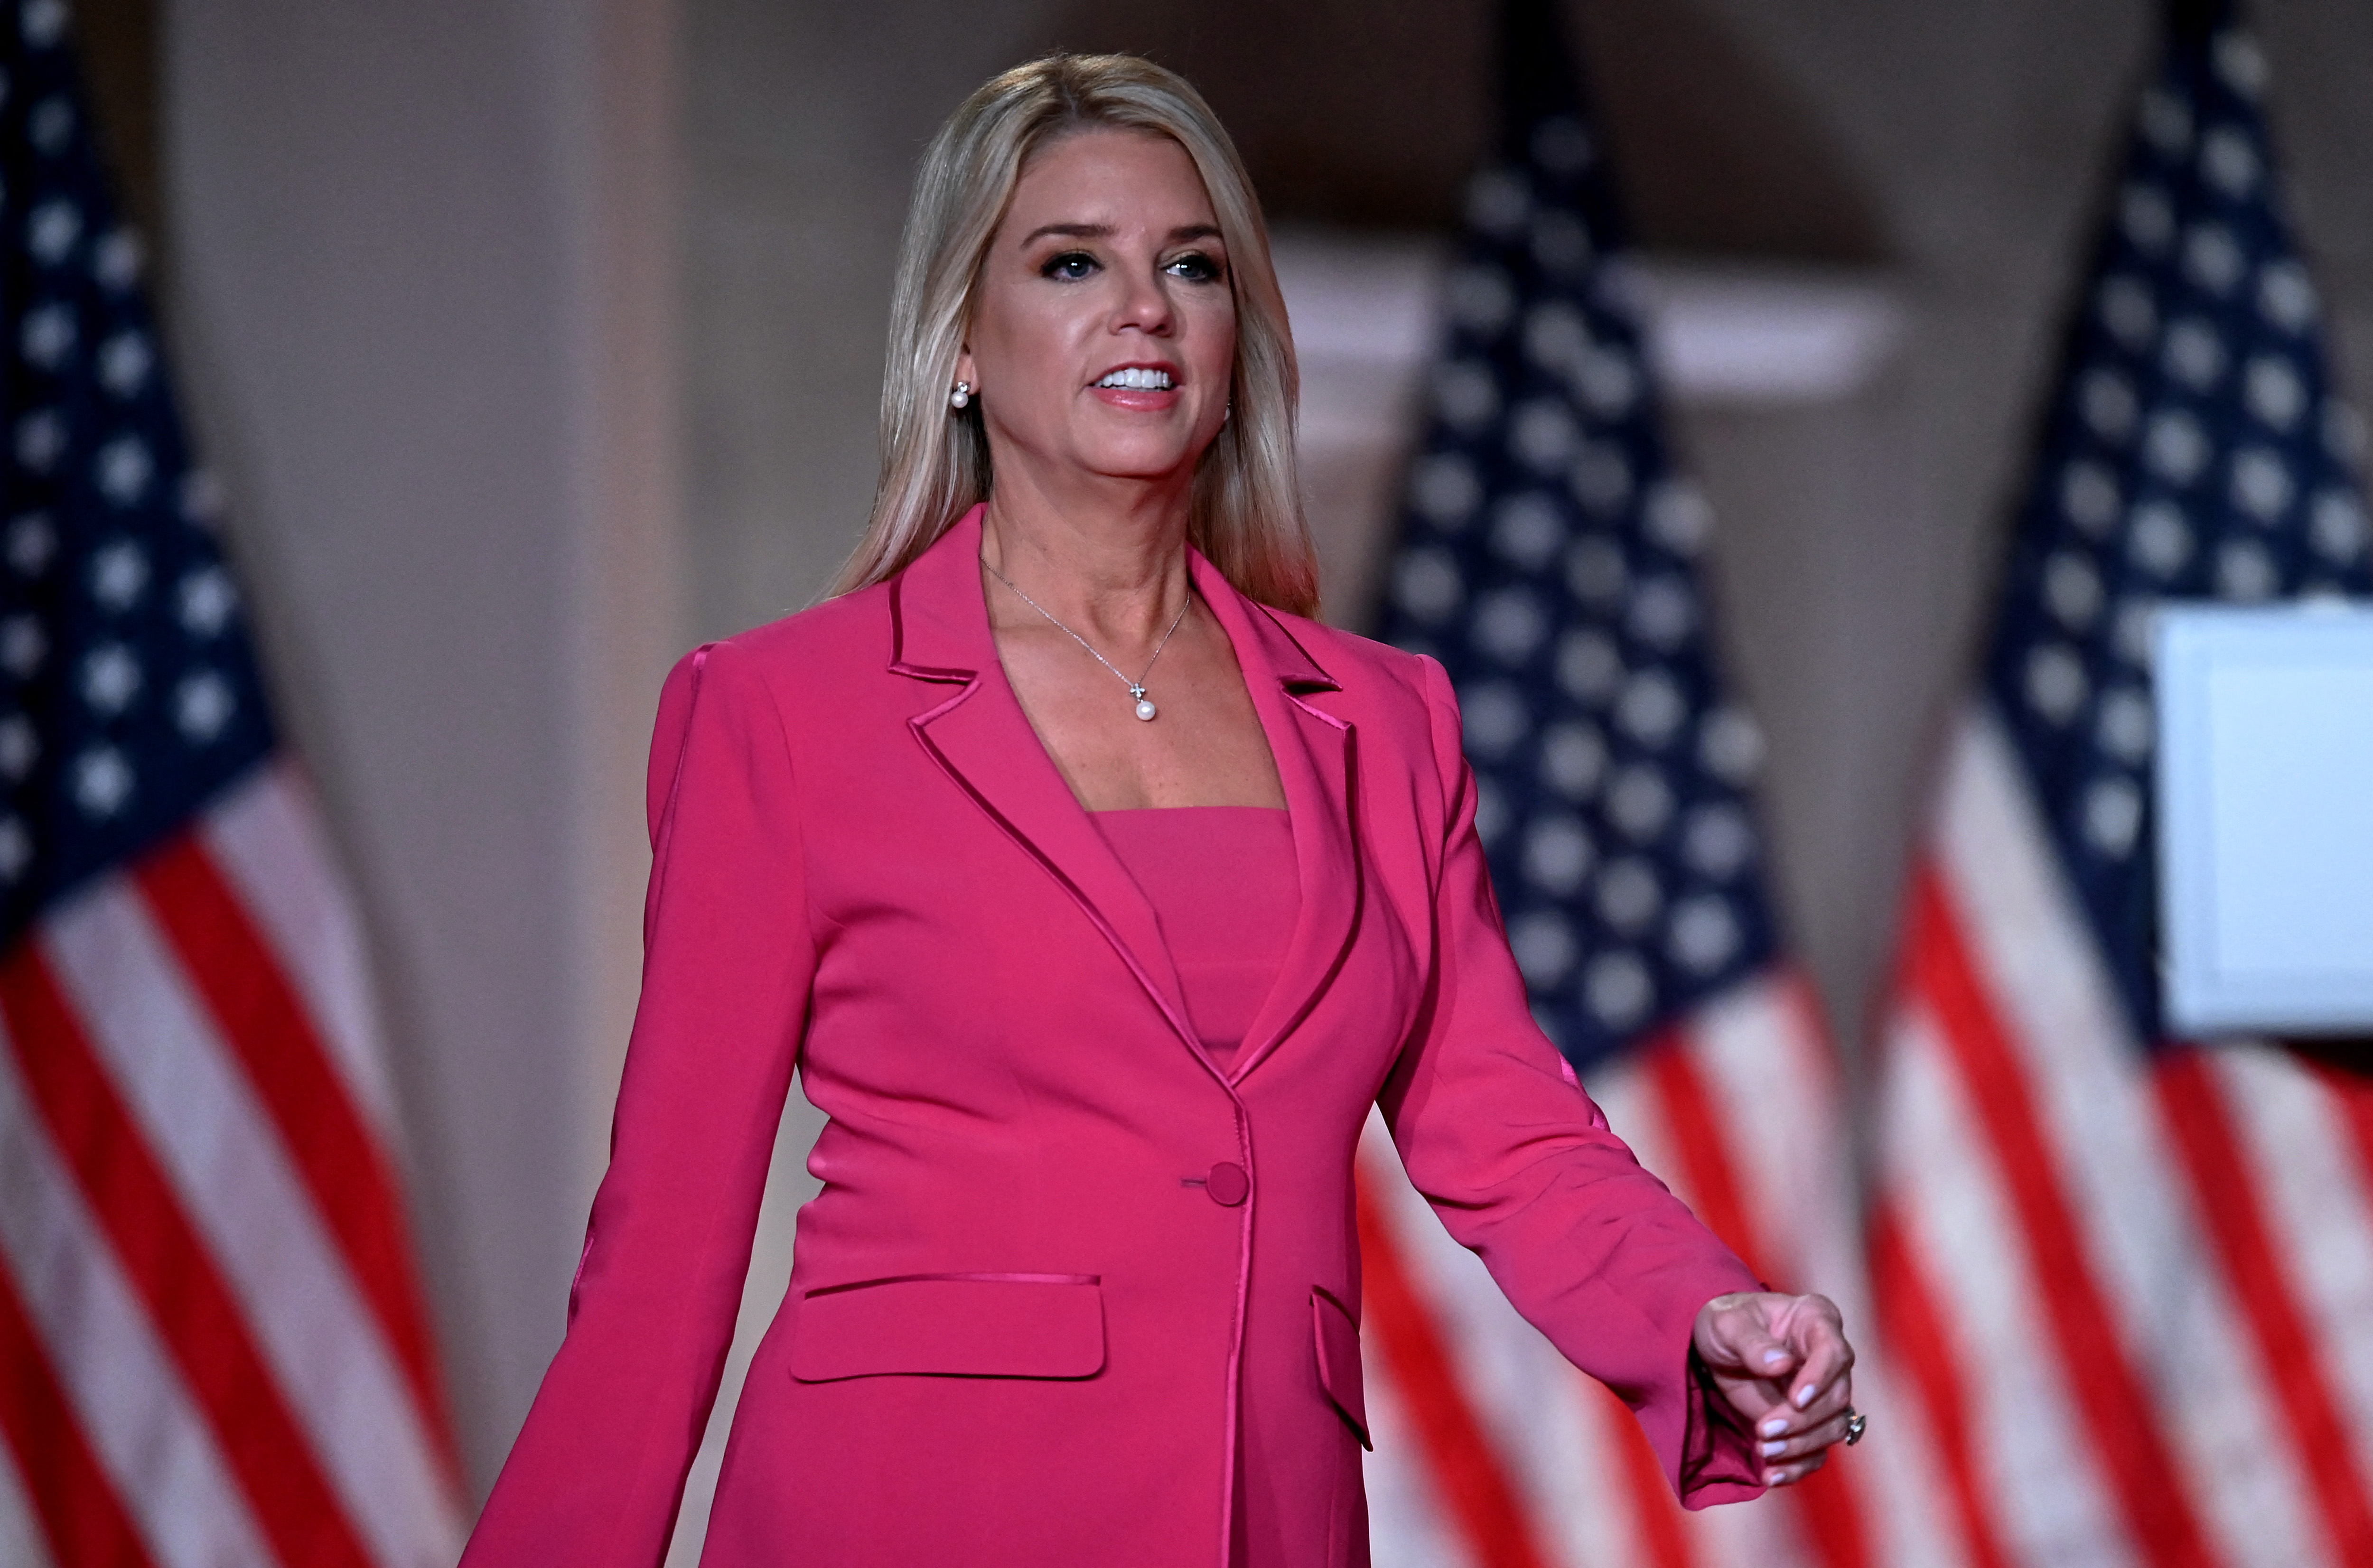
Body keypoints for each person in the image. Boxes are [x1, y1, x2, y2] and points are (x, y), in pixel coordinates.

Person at [460, 52, 1859, 1568]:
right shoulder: (783, 713)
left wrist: (1697, 1310)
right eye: (1073, 263)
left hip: (1269, 1514)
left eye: (1191, 267)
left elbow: (1508, 1128)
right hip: (907, 1510)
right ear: (961, 341)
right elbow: (664, 1250)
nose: (1144, 307)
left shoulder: (1385, 722)